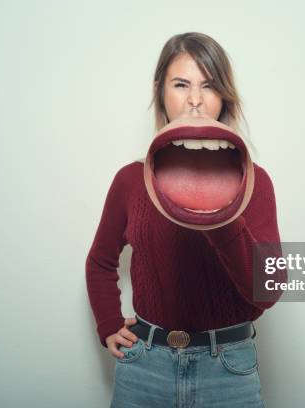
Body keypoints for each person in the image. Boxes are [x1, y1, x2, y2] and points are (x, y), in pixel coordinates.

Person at [86, 32, 284, 407]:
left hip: (228, 368)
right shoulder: (130, 180)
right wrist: (108, 322)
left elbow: (269, 288)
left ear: (223, 96)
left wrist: (222, 209)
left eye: (209, 86)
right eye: (181, 85)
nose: (195, 100)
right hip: (145, 365)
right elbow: (100, 260)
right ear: (160, 90)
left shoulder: (255, 182)